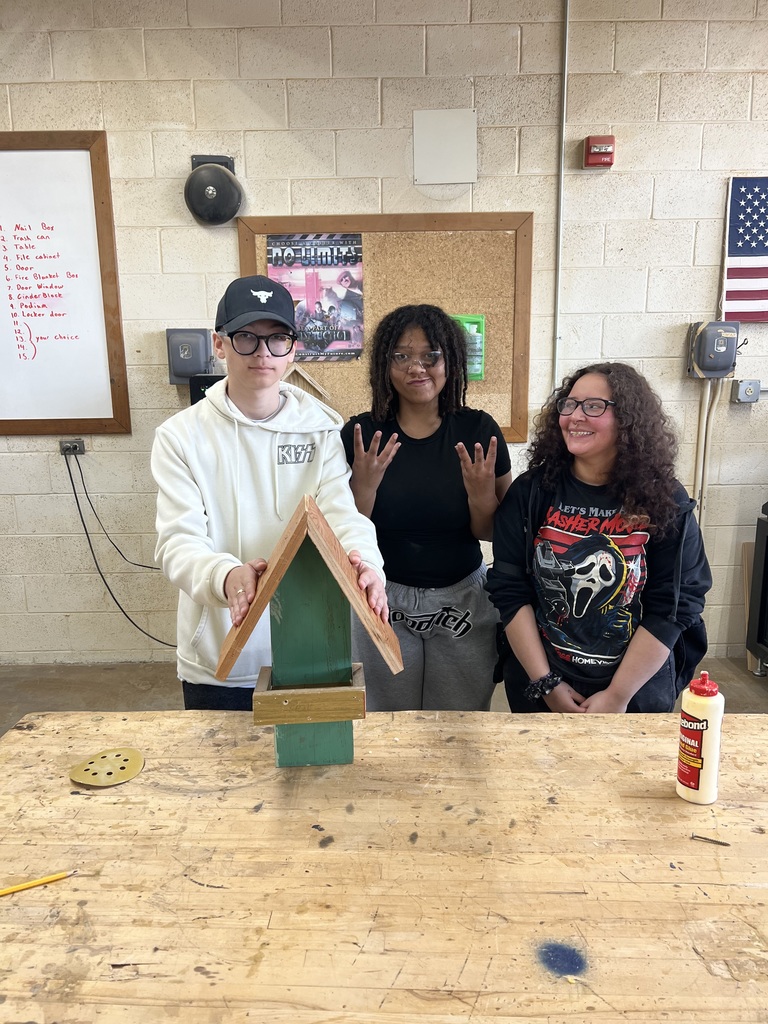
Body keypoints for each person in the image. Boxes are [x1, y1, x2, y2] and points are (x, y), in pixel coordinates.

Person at [151, 275, 388, 711]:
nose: (262, 353)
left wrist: (367, 564)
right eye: (246, 338)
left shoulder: (320, 428)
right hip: (222, 656)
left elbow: (342, 514)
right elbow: (177, 543)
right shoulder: (179, 437)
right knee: (224, 775)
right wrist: (226, 578)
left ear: (293, 348)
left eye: (277, 339)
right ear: (220, 344)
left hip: (311, 648)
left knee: (316, 770)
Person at [486, 361, 712, 714]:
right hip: (543, 681)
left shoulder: (664, 500)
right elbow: (510, 591)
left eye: (594, 406)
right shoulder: (531, 492)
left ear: (628, 420)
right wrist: (546, 684)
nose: (575, 416)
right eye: (569, 403)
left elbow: (674, 605)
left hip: (635, 688)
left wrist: (619, 695)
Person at [341, 303, 512, 711]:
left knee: (458, 721)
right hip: (382, 596)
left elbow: (492, 531)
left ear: (449, 361)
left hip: (462, 596)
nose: (416, 367)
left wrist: (481, 496)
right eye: (401, 356)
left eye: (430, 356)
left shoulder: (478, 430)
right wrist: (364, 487)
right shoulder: (362, 433)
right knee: (385, 719)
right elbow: (345, 531)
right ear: (385, 364)